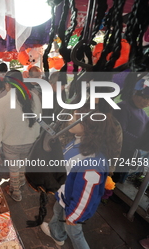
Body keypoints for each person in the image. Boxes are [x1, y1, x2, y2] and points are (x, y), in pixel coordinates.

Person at [40, 103, 119, 249]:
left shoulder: (92, 163)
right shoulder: (78, 141)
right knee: (57, 211)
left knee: (74, 232)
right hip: (65, 195)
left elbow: (85, 195)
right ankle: (57, 235)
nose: (70, 119)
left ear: (88, 126)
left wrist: (74, 216)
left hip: (74, 205)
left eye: (75, 117)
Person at [0, 70, 41, 201]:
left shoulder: (1, 103)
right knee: (23, 163)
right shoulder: (34, 97)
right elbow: (38, 120)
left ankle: (16, 192)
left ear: (7, 85)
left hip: (11, 144)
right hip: (30, 142)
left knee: (14, 167)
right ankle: (21, 181)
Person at [112, 78, 149, 183]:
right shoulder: (123, 107)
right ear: (135, 94)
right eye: (146, 98)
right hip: (120, 153)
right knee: (114, 181)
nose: (147, 102)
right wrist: (139, 142)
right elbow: (120, 132)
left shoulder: (142, 113)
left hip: (131, 154)